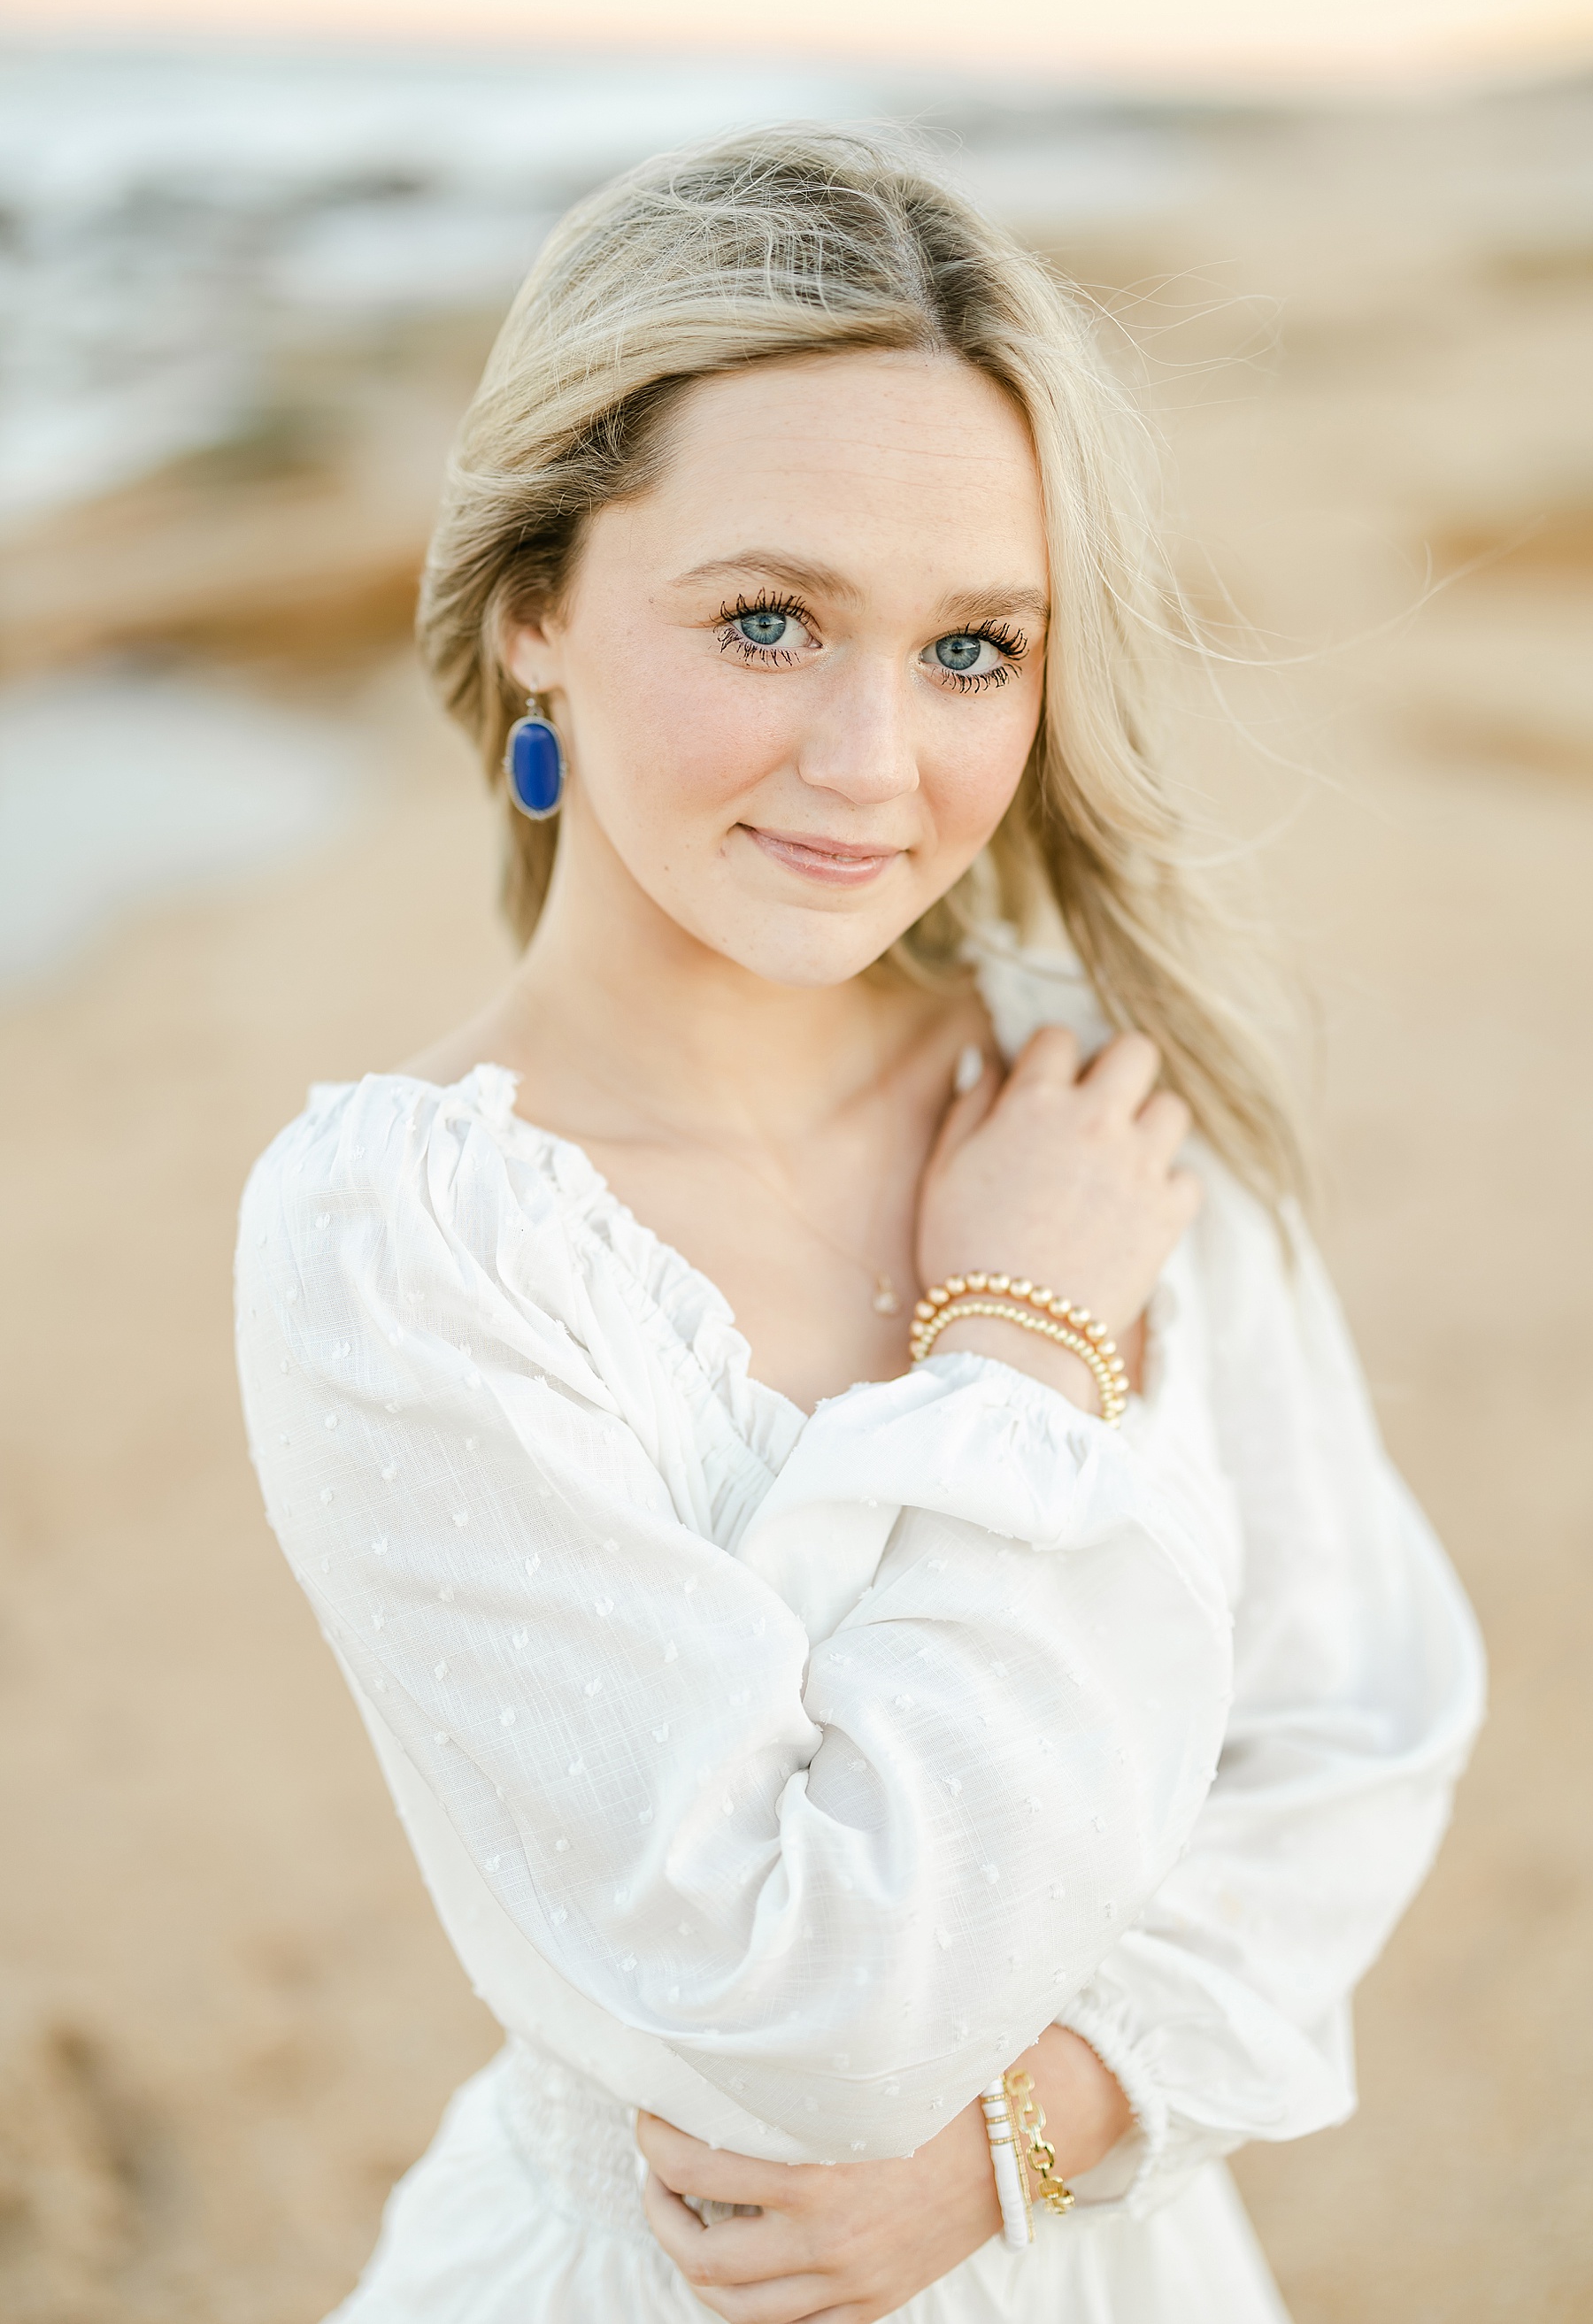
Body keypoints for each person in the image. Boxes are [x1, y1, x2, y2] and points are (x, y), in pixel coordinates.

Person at [234, 127, 1484, 2324]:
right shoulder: (409, 1247)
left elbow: (1356, 1722)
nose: (870, 760)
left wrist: (1044, 2128)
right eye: (769, 619)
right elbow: (800, 2007)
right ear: (535, 607)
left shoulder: (1092, 1091)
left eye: (972, 648)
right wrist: (1018, 1350)